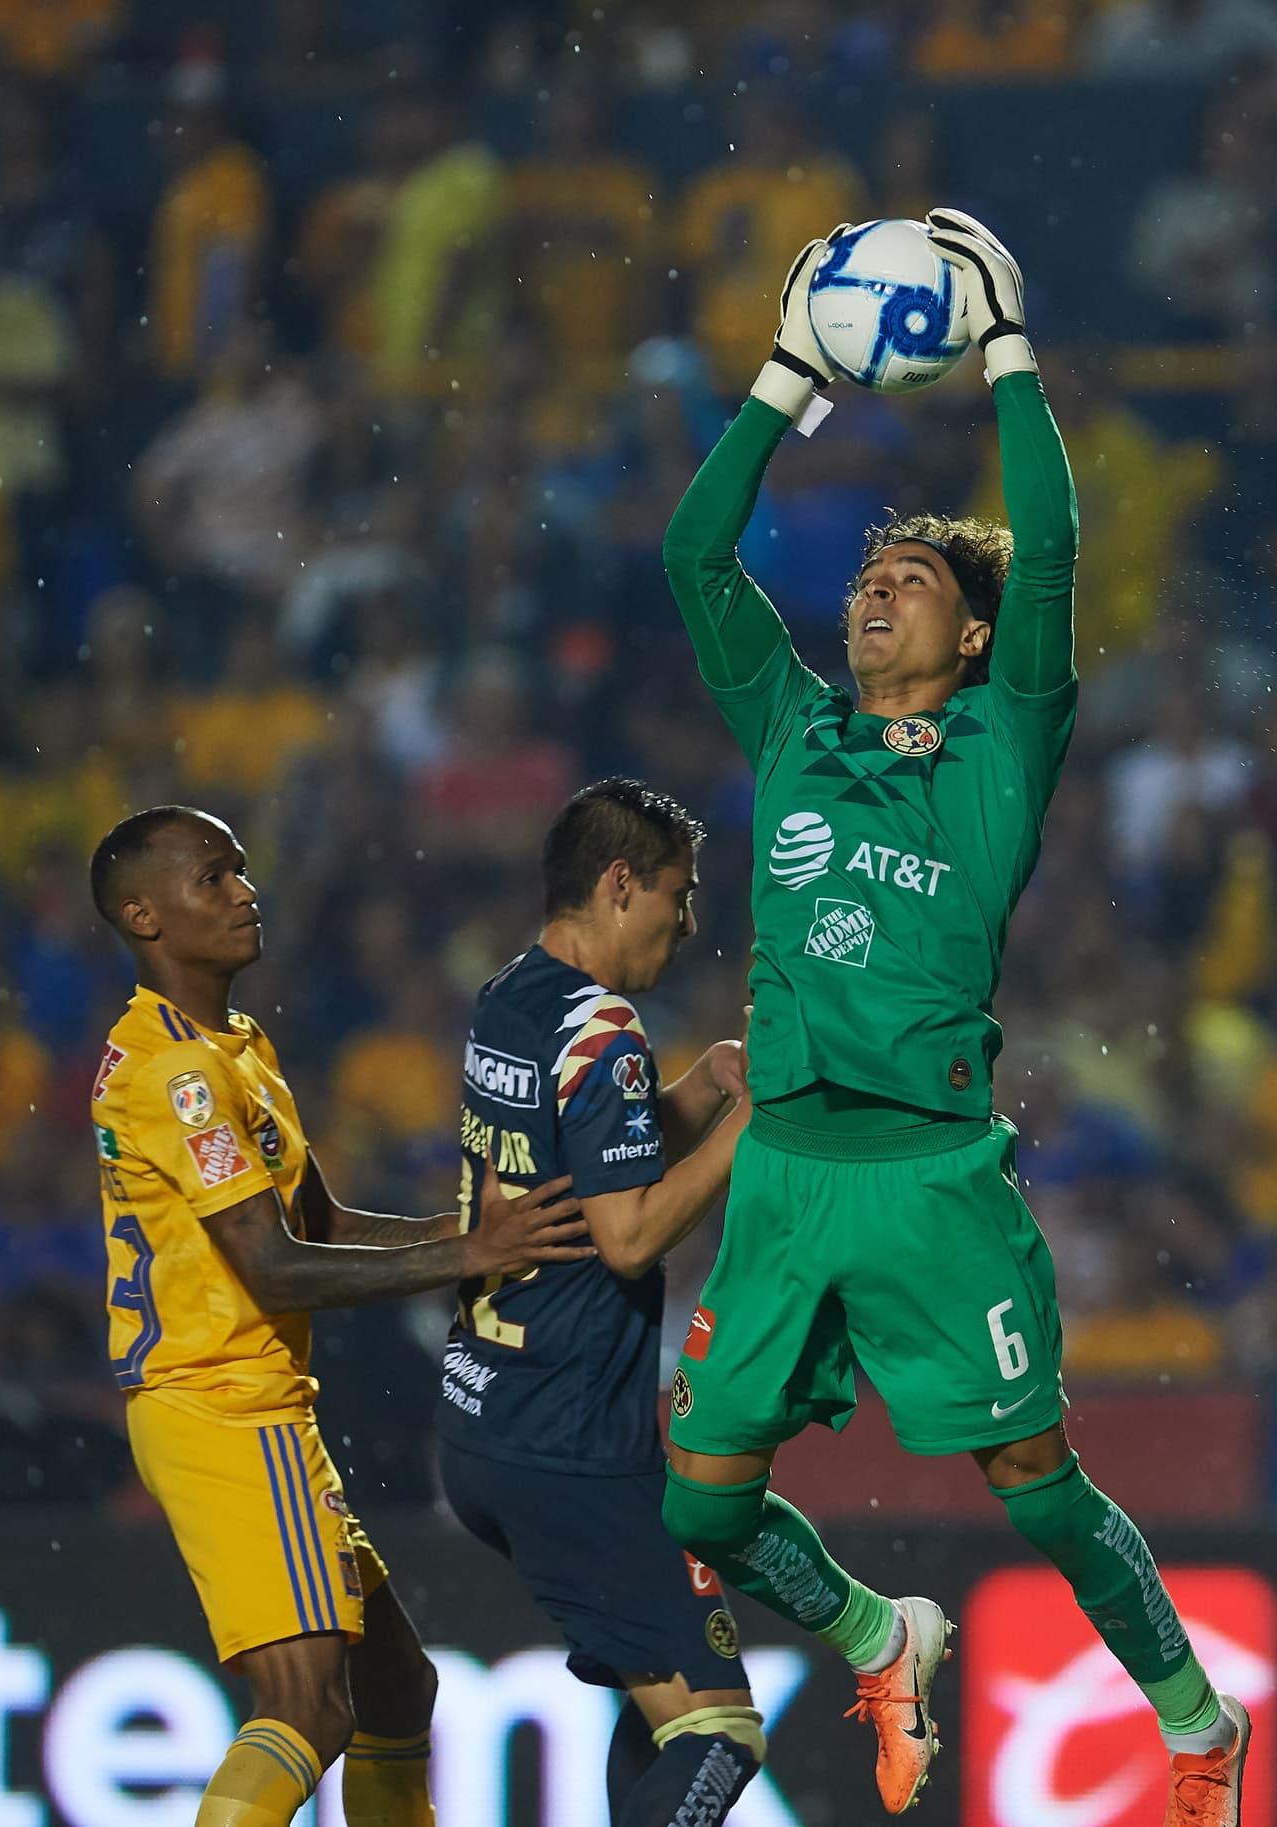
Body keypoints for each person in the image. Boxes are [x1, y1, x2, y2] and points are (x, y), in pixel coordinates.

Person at [657, 211, 1250, 1825]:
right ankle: (876, 1629)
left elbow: (1046, 549)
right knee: (700, 1505)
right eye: (865, 575)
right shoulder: (790, 730)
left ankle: (1199, 1724)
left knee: (1038, 1485)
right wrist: (784, 379)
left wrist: (1007, 355)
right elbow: (692, 560)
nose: (874, 592)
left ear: (971, 640)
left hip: (932, 1184)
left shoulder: (1003, 750)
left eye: (909, 581)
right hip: (782, 1171)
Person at [88, 804, 591, 1827]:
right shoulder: (178, 1078)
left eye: (240, 870)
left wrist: (468, 1243)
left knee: (397, 1689)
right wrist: (469, 1253)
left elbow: (316, 1221)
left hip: (248, 1404)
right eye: (213, 877)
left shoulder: (229, 1044)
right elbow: (272, 1268)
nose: (243, 890)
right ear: (143, 914)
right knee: (307, 1707)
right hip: (223, 1407)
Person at [435, 778, 766, 1827]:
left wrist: (698, 1090)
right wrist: (744, 1128)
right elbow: (625, 1240)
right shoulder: (603, 1029)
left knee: (659, 1705)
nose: (688, 919)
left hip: (484, 1416)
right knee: (718, 1732)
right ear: (620, 885)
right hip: (569, 1440)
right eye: (680, 891)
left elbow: (585, 1179)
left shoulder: (512, 997)